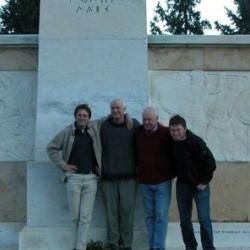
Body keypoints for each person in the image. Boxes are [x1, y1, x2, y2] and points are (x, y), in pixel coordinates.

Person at [47, 104, 101, 250]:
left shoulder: (94, 129)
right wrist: (63, 165)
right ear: (75, 116)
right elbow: (51, 148)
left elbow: (111, 116)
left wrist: (127, 116)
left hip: (91, 179)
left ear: (89, 118)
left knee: (85, 217)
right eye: (80, 115)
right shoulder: (67, 132)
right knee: (75, 217)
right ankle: (74, 245)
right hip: (73, 179)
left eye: (85, 115)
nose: (82, 118)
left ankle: (80, 247)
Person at [169, 115, 216, 250]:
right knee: (184, 220)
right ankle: (190, 246)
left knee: (203, 219)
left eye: (178, 130)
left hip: (200, 187)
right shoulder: (172, 142)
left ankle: (208, 247)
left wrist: (204, 181)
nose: (175, 133)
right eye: (173, 130)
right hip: (183, 186)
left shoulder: (196, 142)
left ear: (184, 129)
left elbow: (211, 163)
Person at [100, 99, 140, 250]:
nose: (115, 110)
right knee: (111, 216)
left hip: (129, 178)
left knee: (127, 214)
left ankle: (126, 245)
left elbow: (148, 133)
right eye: (112, 108)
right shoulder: (103, 125)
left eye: (118, 108)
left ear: (125, 109)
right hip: (107, 178)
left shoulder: (134, 125)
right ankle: (113, 244)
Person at [135, 107, 175, 250]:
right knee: (149, 216)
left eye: (149, 119)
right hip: (144, 182)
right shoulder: (138, 132)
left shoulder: (166, 133)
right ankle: (152, 246)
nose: (146, 122)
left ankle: (158, 247)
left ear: (156, 118)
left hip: (162, 182)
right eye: (144, 119)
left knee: (161, 216)